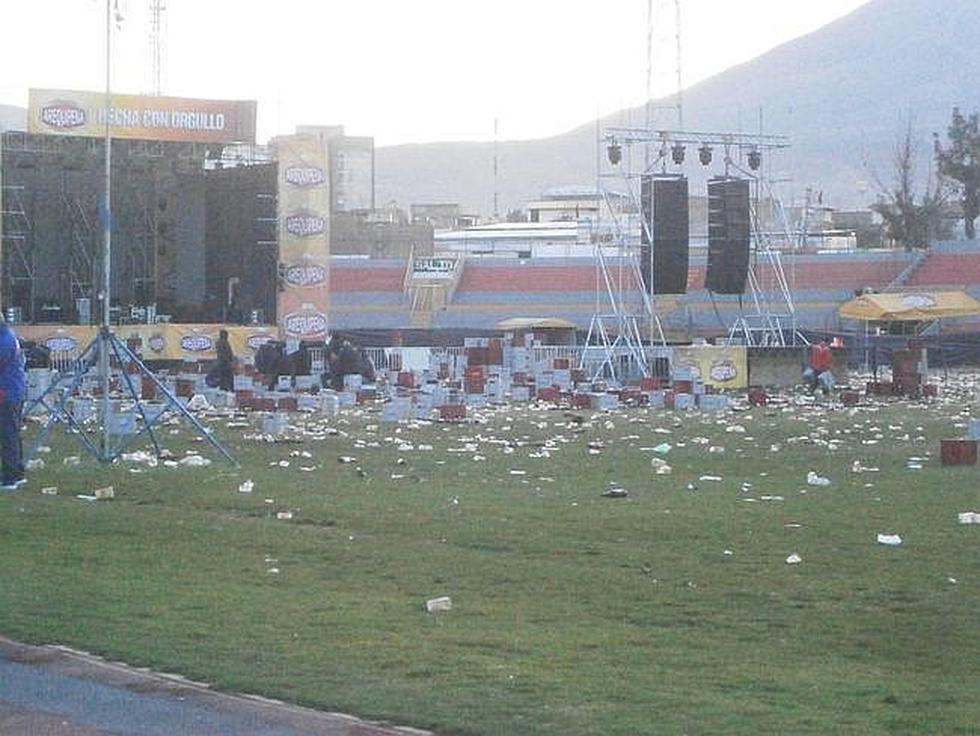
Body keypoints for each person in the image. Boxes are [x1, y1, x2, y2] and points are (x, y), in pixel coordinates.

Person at [0, 317, 27, 491]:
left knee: (8, 434)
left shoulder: (4, 341)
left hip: (7, 392)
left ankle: (11, 477)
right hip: (14, 390)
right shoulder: (8, 336)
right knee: (13, 433)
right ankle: (16, 471)